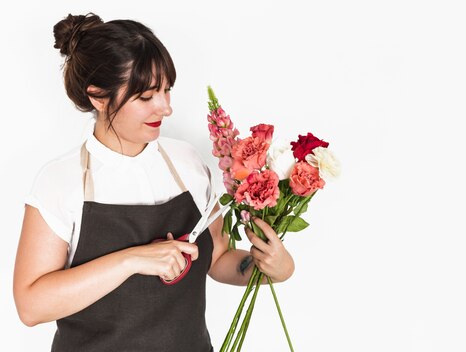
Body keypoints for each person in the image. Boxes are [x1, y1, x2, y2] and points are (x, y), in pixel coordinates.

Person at [13, 12, 294, 351]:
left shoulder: (187, 163)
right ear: (98, 98)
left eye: (166, 90)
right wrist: (133, 259)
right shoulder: (61, 181)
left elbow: (218, 259)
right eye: (146, 97)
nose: (165, 108)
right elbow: (31, 306)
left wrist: (271, 268)